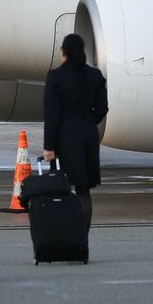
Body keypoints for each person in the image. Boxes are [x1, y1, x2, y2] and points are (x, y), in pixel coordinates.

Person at [42, 33, 109, 236]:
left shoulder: (55, 77)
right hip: (88, 138)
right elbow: (102, 108)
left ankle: (63, 235)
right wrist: (88, 123)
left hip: (65, 139)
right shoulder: (95, 76)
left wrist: (49, 146)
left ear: (63, 53)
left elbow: (52, 115)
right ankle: (82, 236)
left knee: (60, 188)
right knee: (83, 191)